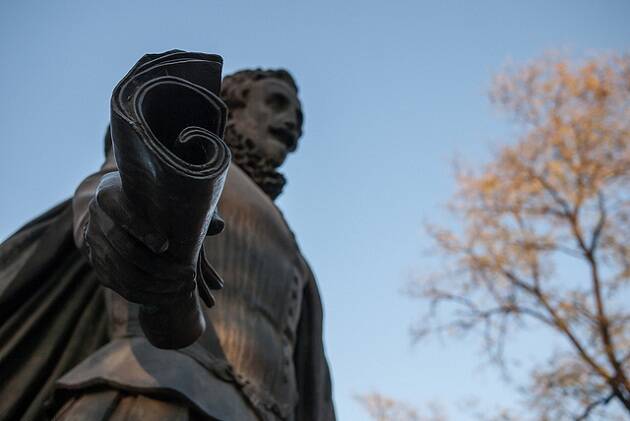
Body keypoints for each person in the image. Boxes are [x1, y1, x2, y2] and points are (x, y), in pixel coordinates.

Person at [0, 66, 335, 421]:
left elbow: (312, 388)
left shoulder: (293, 251)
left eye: (299, 117)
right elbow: (106, 193)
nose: (292, 124)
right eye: (276, 102)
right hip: (149, 391)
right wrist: (120, 221)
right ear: (230, 106)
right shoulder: (186, 156)